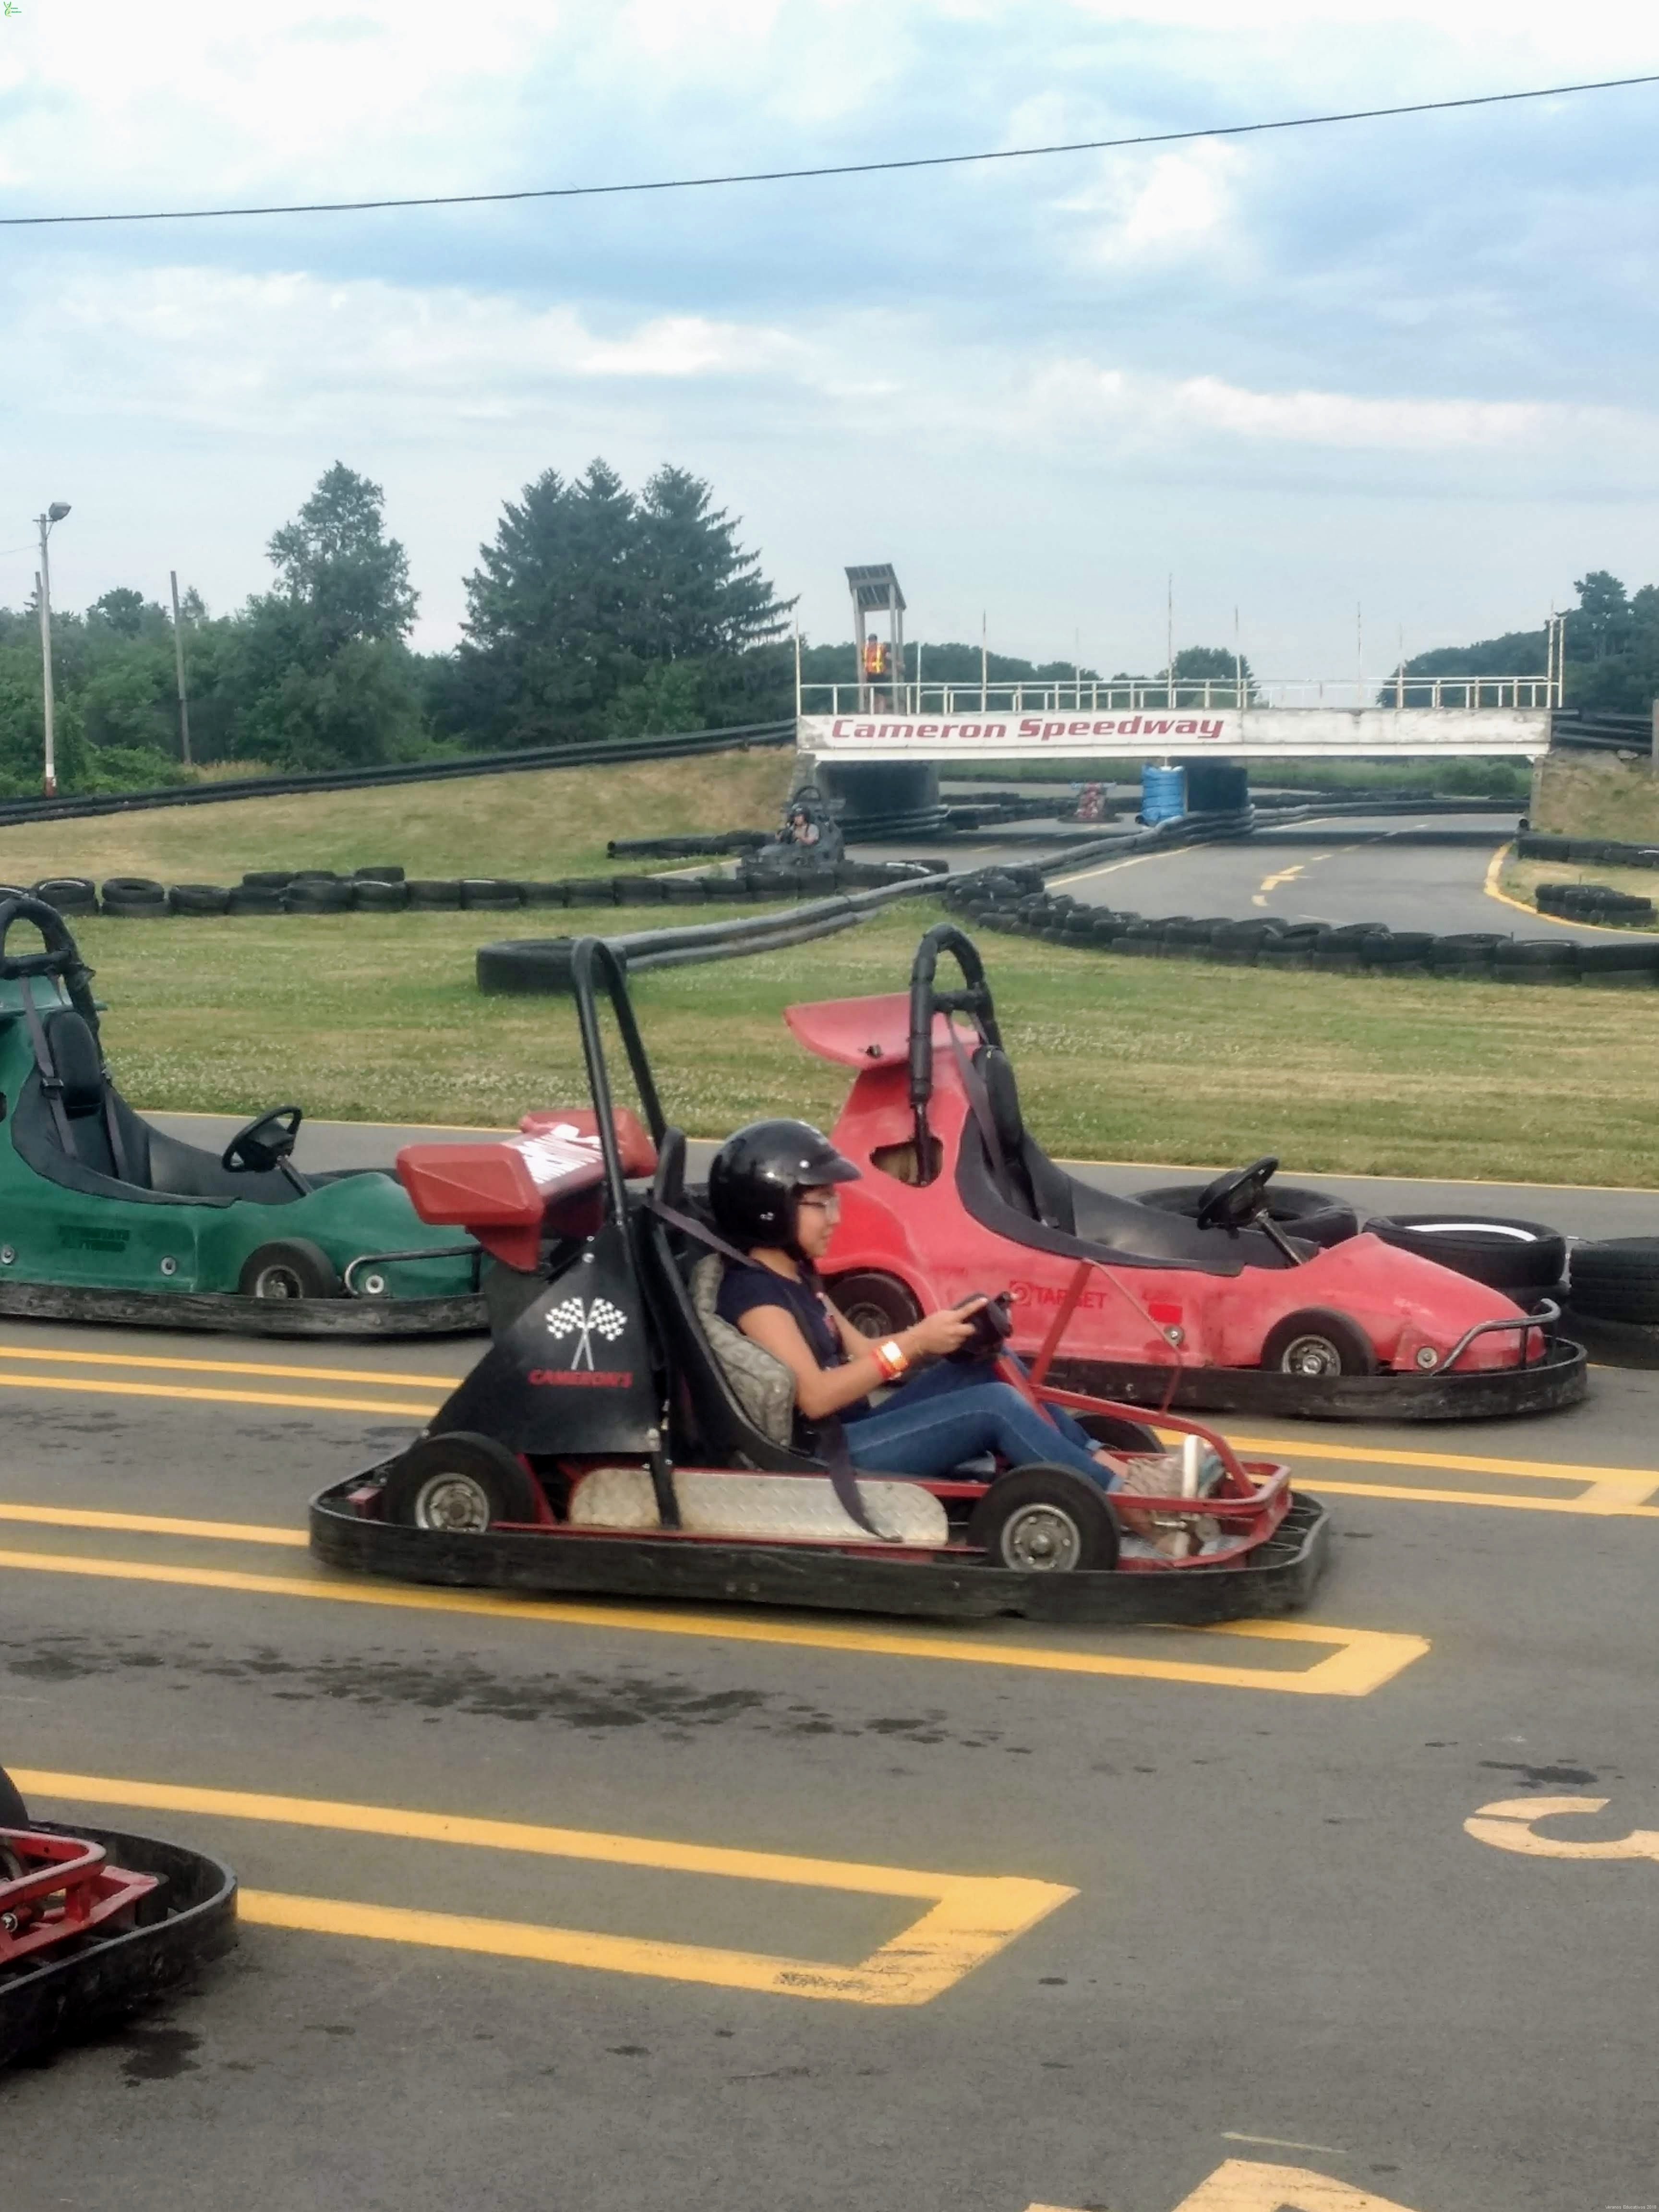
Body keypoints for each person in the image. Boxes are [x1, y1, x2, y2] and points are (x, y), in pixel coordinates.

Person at [708, 1119, 1128, 1492]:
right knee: (994, 1406)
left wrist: (943, 1334)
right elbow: (816, 1397)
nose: (835, 1217)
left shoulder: (798, 1273)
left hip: (855, 1429)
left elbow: (862, 1352)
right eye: (821, 1203)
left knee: (989, 1361)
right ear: (770, 1211)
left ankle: (1102, 1463)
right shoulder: (754, 1296)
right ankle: (1126, 1502)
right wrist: (913, 1344)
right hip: (827, 1453)